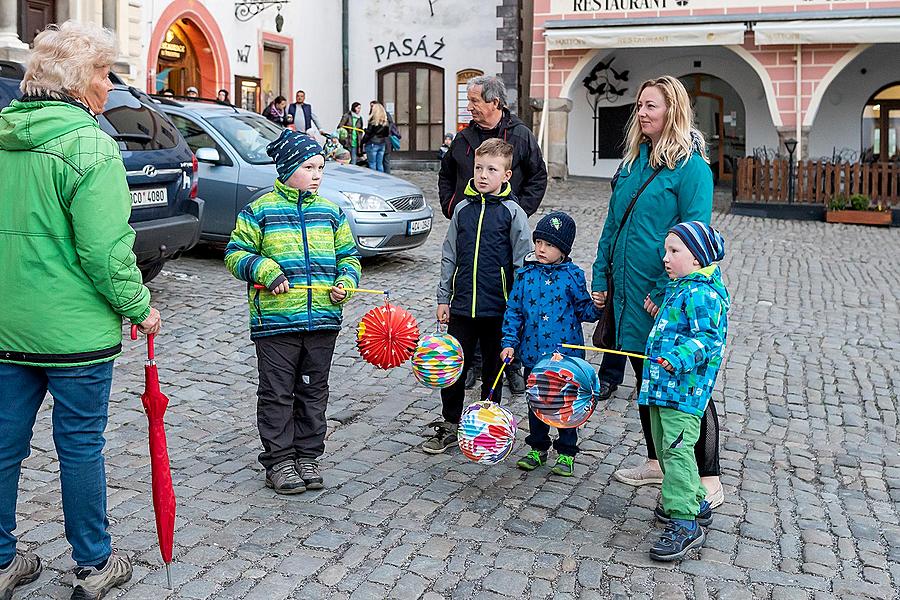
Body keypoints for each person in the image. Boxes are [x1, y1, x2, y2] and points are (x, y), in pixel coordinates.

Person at [0, 21, 161, 600]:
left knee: (2, 445)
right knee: (80, 446)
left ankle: (0, 561)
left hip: (7, 325)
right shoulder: (89, 144)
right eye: (102, 71)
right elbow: (105, 249)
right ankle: (93, 565)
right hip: (73, 333)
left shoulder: (2, 136)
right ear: (75, 81)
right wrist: (139, 306)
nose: (110, 84)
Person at [590, 76, 723, 507]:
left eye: (652, 106)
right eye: (641, 106)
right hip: (626, 291)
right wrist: (599, 275)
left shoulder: (692, 170)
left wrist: (666, 288)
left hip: (664, 295)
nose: (642, 113)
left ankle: (708, 477)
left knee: (685, 387)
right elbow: (613, 224)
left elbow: (696, 238)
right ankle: (656, 460)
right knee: (645, 377)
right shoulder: (632, 164)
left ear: (673, 111)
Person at [224, 129, 361, 494]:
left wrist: (345, 283)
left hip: (322, 322)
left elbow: (349, 257)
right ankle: (280, 460)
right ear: (286, 168)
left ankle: (308, 455)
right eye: (309, 166)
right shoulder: (260, 211)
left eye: (321, 167)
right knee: (277, 392)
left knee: (314, 391)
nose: (317, 174)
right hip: (276, 324)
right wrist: (265, 271)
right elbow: (235, 255)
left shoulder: (331, 213)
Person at [438, 75, 547, 396]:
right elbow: (445, 174)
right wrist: (451, 205)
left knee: (503, 312)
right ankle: (469, 364)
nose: (469, 107)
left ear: (495, 103)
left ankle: (510, 367)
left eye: (474, 101)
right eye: (469, 101)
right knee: (470, 309)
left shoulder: (521, 135)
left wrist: (516, 210)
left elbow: (538, 177)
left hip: (505, 227)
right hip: (469, 220)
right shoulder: (463, 139)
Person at [424, 139, 532, 454]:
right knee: (453, 366)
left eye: (492, 170)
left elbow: (522, 264)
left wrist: (517, 308)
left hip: (498, 309)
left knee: (492, 371)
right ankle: (450, 422)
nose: (483, 175)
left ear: (507, 175)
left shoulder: (513, 213)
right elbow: (449, 255)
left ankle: (486, 425)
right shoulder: (462, 209)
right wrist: (443, 297)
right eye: (479, 168)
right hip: (461, 306)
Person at [642, 221, 729, 561]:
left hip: (684, 391)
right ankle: (695, 500)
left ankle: (684, 523)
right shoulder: (681, 286)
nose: (666, 257)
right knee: (667, 450)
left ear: (697, 259)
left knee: (677, 452)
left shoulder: (702, 295)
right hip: (665, 389)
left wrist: (677, 358)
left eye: (674, 251)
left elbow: (708, 340)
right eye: (666, 249)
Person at [500, 212, 600, 477]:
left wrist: (599, 306)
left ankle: (567, 451)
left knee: (566, 403)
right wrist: (509, 342)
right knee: (537, 402)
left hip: (565, 357)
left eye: (550, 245)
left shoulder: (573, 275)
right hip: (533, 354)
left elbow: (584, 311)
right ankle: (538, 447)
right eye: (539, 242)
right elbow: (514, 312)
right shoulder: (525, 275)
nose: (542, 249)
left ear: (564, 250)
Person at [362, 102, 389, 173]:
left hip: (372, 143)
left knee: (372, 164)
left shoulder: (372, 121)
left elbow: (368, 134)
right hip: (382, 143)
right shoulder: (385, 121)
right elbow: (386, 134)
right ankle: (380, 179)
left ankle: (373, 180)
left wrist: (362, 142)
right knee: (380, 164)